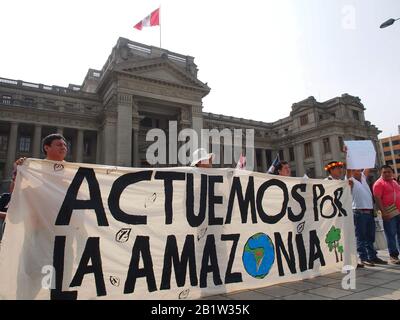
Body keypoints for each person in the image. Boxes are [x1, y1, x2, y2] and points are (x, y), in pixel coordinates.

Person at [347, 168, 387, 267]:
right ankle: (363, 258)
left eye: (360, 170)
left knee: (370, 236)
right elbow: (348, 172)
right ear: (352, 172)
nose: (359, 172)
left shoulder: (363, 179)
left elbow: (367, 168)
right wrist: (349, 155)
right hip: (359, 212)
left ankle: (372, 256)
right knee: (361, 236)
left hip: (369, 212)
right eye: (355, 170)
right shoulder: (351, 180)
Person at [373, 165, 400, 265]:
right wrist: (383, 212)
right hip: (389, 213)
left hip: (398, 212)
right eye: (384, 172)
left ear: (392, 172)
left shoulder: (394, 182)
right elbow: (377, 198)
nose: (387, 174)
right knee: (391, 234)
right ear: (381, 173)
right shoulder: (378, 183)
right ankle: (393, 256)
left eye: (389, 172)